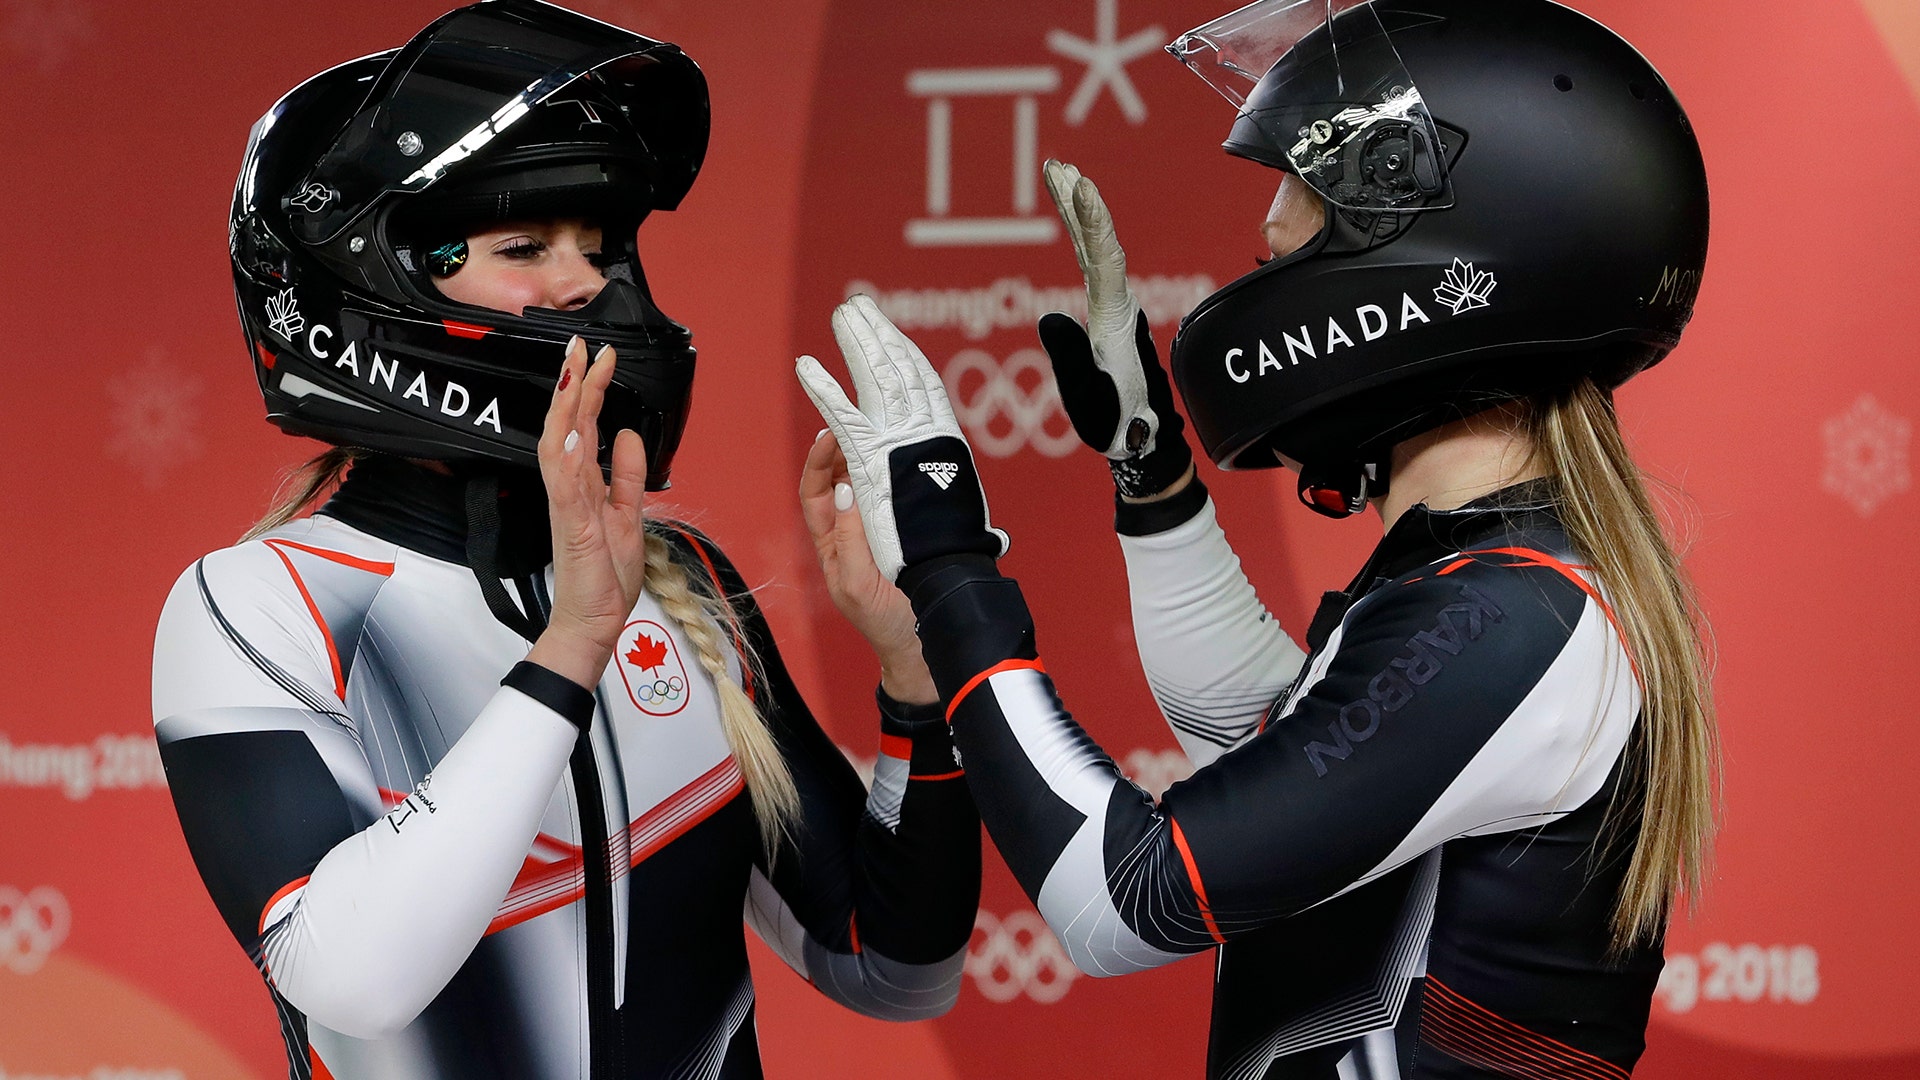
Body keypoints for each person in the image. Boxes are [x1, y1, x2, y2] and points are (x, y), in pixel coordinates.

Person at [796, 0, 1715, 1076]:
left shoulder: (1513, 617)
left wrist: (949, 564)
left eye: (1313, 191)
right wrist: (1153, 477)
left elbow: (1119, 900)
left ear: (1449, 251)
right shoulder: (1487, 583)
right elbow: (1267, 756)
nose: (1274, 231)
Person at [152, 3, 979, 1078]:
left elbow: (896, 969)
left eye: (600, 245)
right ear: (372, 284)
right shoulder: (258, 604)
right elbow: (349, 976)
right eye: (525, 245)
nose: (589, 283)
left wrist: (913, 669)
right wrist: (573, 646)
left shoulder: (684, 587)